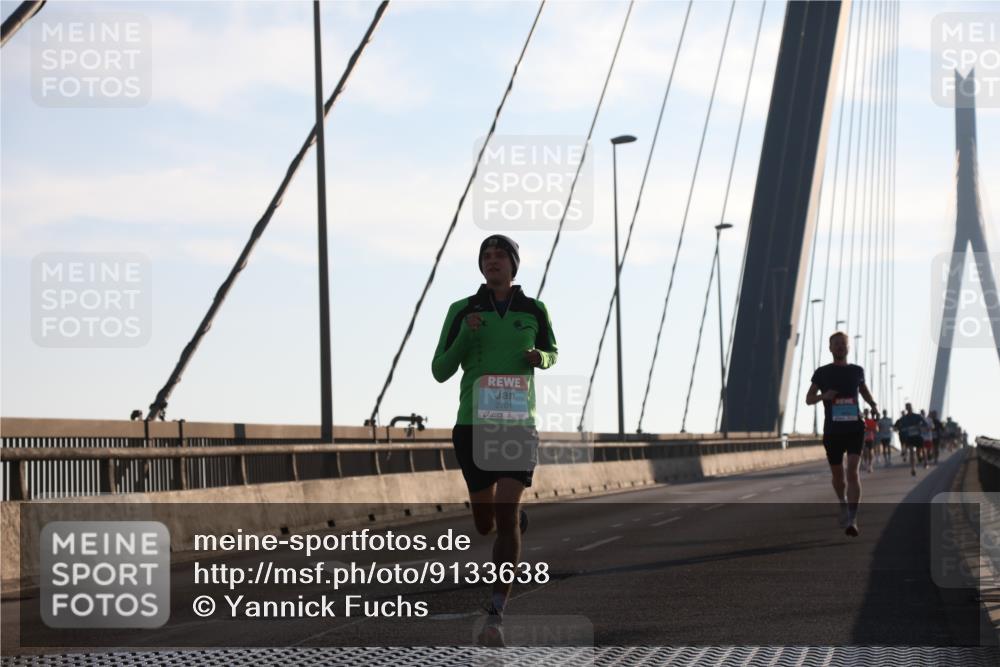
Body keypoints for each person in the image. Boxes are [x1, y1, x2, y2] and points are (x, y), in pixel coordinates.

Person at [431, 234, 557, 646]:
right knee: (486, 524)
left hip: (517, 424)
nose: (492, 260)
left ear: (513, 264)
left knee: (505, 510)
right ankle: (510, 523)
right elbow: (440, 369)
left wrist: (541, 358)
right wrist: (467, 336)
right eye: (486, 255)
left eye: (500, 255)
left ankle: (497, 607)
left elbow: (553, 351)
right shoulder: (462, 310)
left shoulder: (532, 310)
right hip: (472, 425)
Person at [805, 331, 878, 537]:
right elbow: (808, 399)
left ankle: (853, 518)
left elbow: (863, 390)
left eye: (843, 344)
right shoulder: (822, 373)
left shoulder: (857, 371)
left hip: (854, 427)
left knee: (852, 471)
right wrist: (823, 396)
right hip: (833, 430)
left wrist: (873, 404)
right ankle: (843, 503)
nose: (840, 347)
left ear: (848, 348)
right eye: (836, 344)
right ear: (830, 348)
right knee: (838, 476)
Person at [894, 404, 925, 477]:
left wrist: (920, 427)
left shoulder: (917, 416)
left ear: (912, 408)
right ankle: (913, 468)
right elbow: (897, 426)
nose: (909, 409)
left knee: (919, 452)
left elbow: (925, 424)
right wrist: (898, 429)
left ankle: (920, 456)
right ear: (906, 409)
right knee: (911, 452)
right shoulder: (903, 418)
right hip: (909, 437)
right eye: (907, 408)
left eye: (910, 407)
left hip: (917, 436)